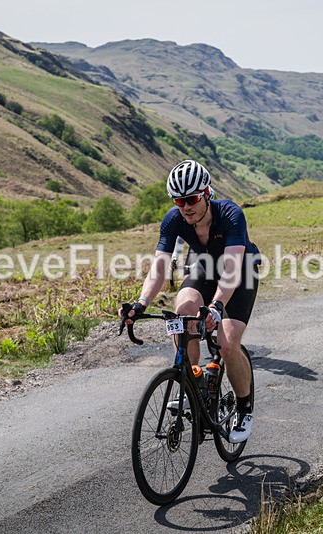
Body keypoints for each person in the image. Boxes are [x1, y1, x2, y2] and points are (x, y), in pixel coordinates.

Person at [120, 160, 260, 443]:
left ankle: (244, 407)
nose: (186, 206)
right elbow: (159, 269)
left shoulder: (231, 214)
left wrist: (217, 306)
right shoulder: (174, 220)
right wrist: (141, 303)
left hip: (240, 271)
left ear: (207, 193)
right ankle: (192, 382)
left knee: (226, 344)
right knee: (181, 313)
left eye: (192, 198)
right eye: (179, 200)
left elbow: (232, 271)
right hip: (203, 266)